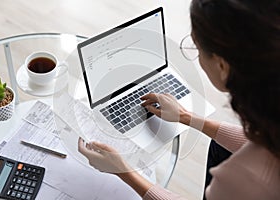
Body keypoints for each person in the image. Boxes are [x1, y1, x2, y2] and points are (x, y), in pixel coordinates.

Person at [78, 0, 280, 199]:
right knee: (219, 147)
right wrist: (186, 116)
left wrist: (123, 171)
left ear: (222, 66)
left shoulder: (241, 182)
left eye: (197, 48)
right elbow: (257, 140)